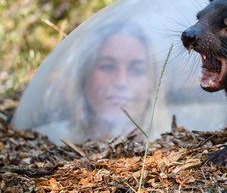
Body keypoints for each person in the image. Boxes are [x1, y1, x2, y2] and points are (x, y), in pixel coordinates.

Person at [12, 20, 169, 144]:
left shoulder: (172, 148)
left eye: (136, 70)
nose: (121, 82)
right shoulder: (48, 139)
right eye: (107, 66)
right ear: (84, 76)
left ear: (153, 85)